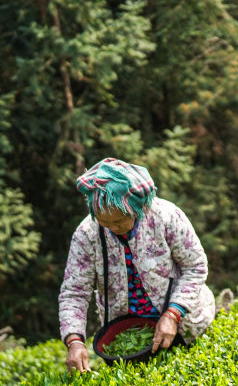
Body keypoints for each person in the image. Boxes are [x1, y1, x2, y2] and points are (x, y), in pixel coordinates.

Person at [59, 158, 216, 372]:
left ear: (138, 208)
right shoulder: (87, 234)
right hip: (127, 331)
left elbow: (195, 267)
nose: (112, 228)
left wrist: (173, 314)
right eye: (104, 222)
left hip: (184, 325)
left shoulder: (166, 217)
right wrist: (74, 340)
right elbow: (74, 292)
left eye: (118, 221)